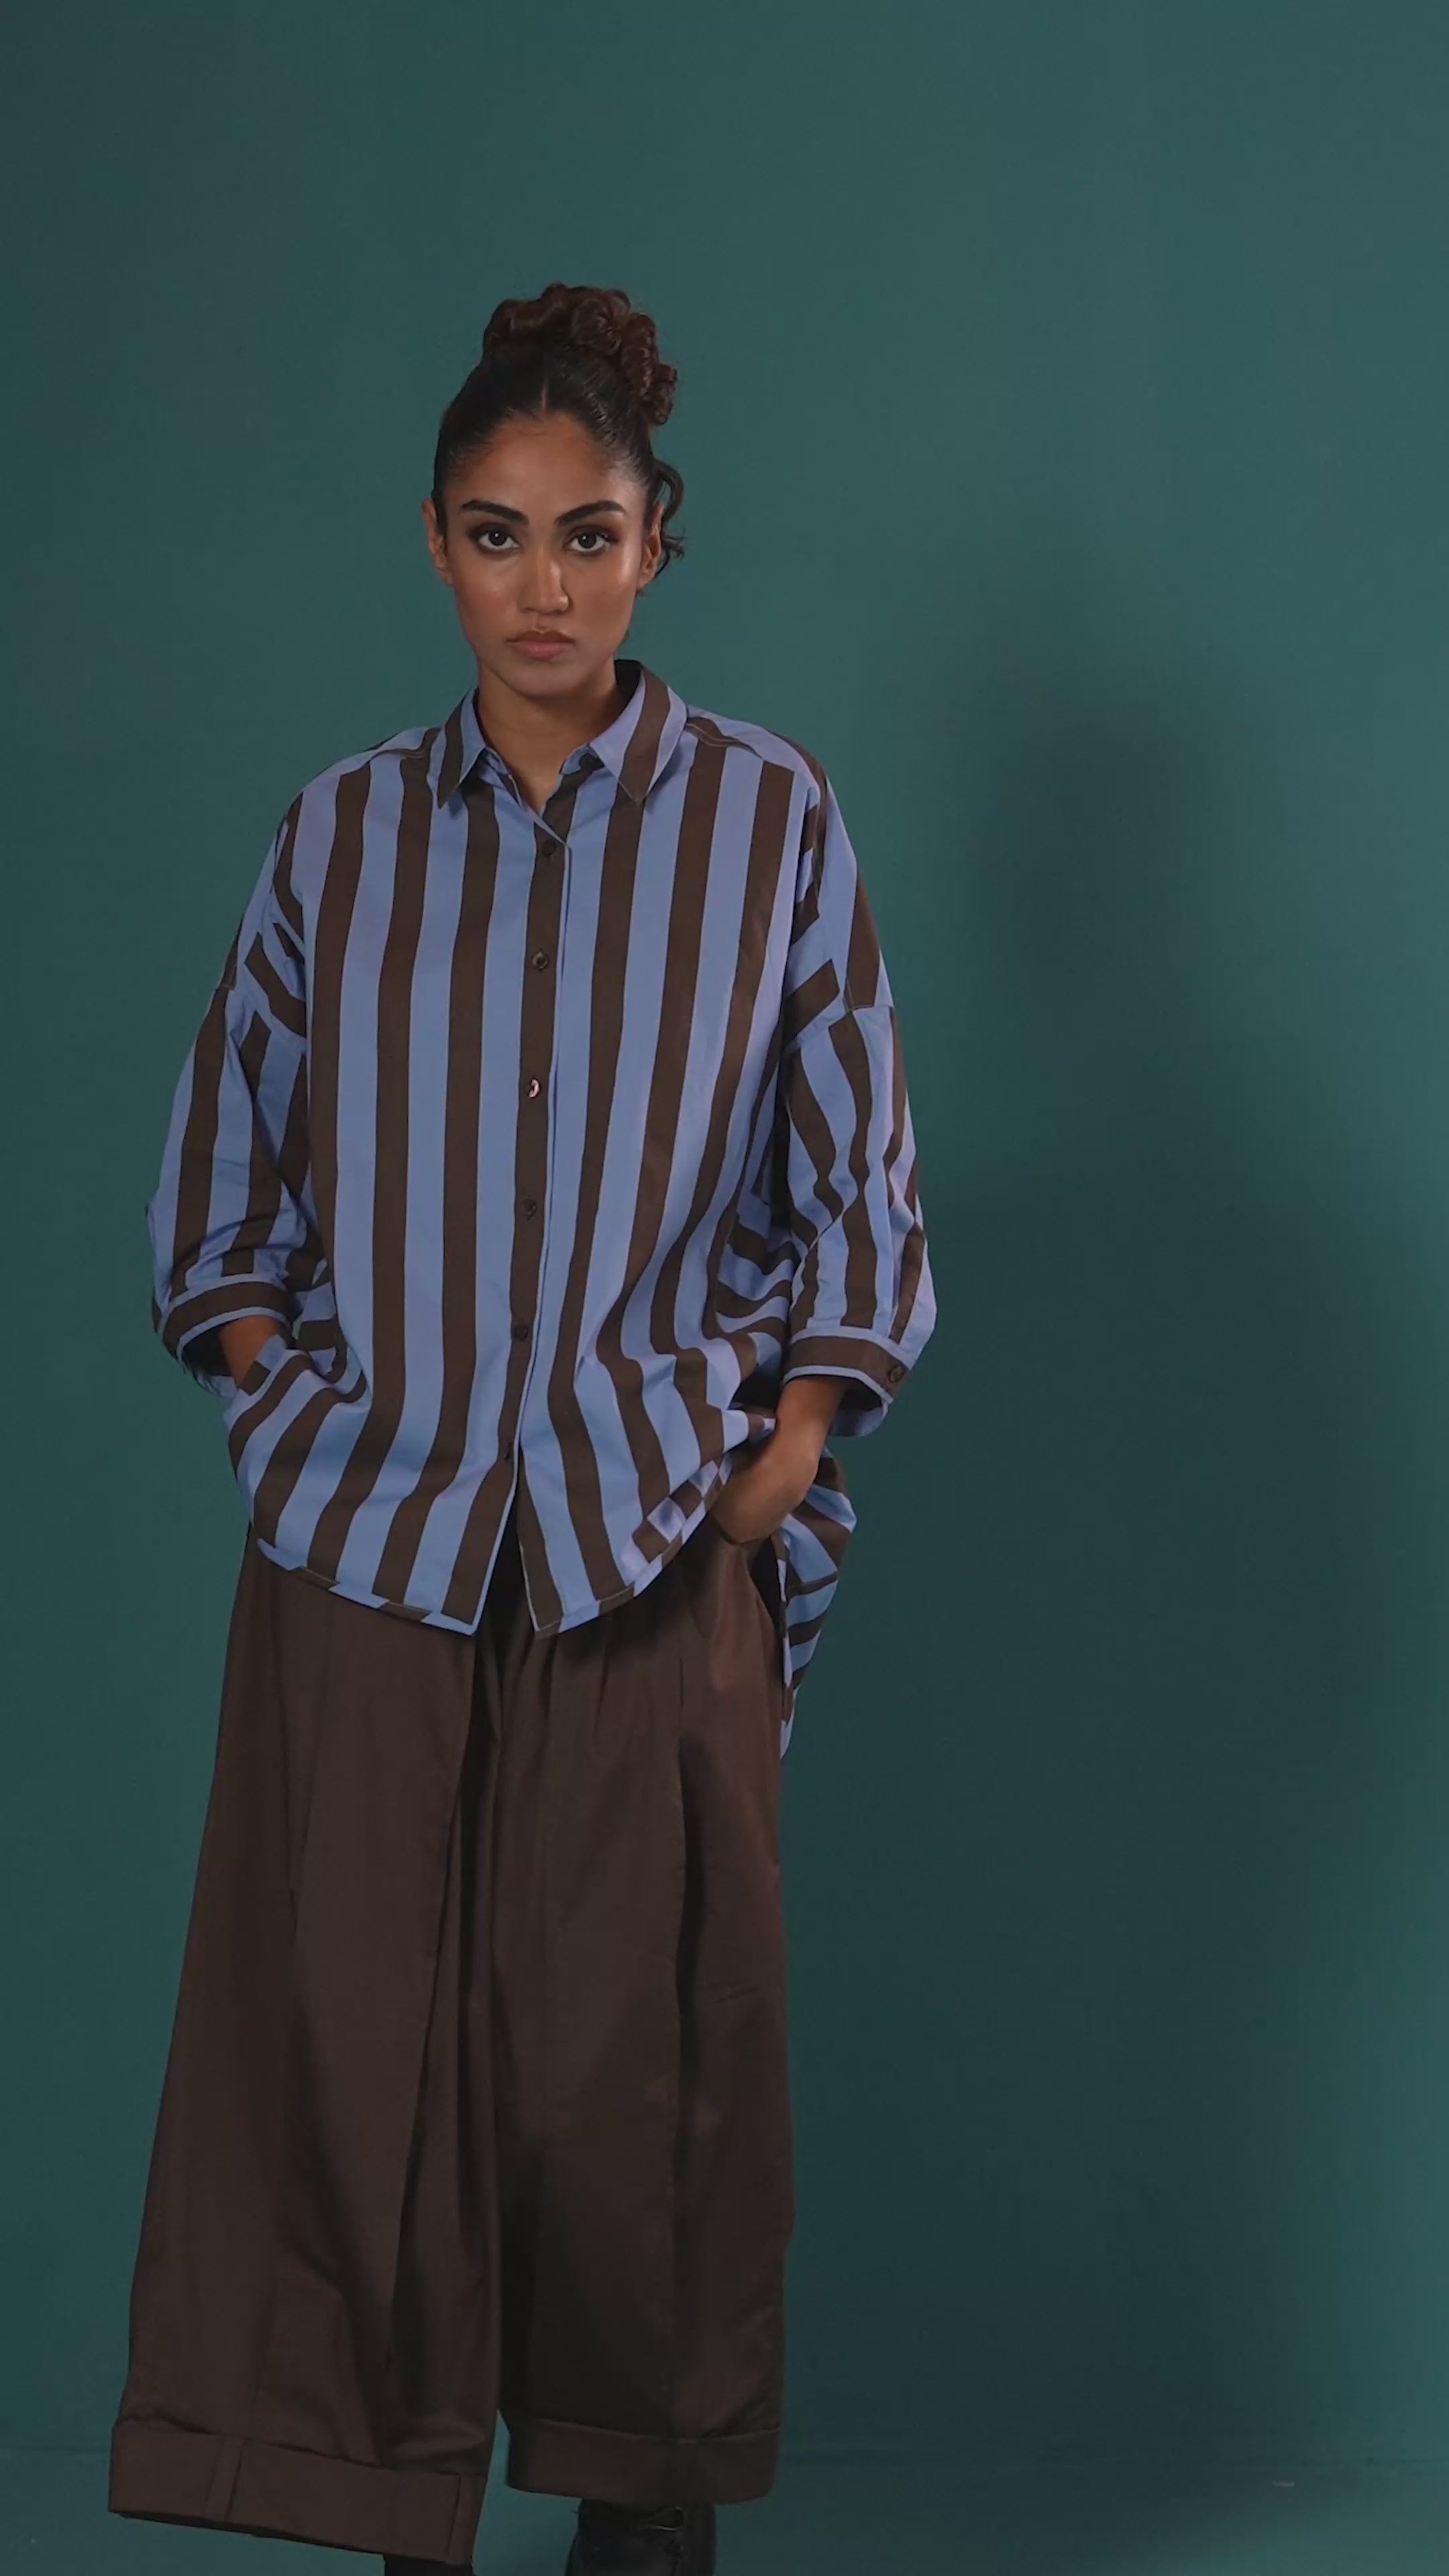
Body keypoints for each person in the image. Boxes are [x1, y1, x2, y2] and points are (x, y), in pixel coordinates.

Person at [107, 281, 935, 2576]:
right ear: (435, 543)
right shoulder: (340, 837)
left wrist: (787, 1450)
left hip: (653, 1537)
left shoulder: (770, 821)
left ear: (658, 542)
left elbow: (861, 1181)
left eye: (588, 535)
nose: (542, 586)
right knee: (355, 2054)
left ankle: (639, 2525)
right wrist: (286, 1399)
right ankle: (400, 2517)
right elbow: (219, 1191)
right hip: (373, 1546)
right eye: (497, 534)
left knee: (636, 2068)